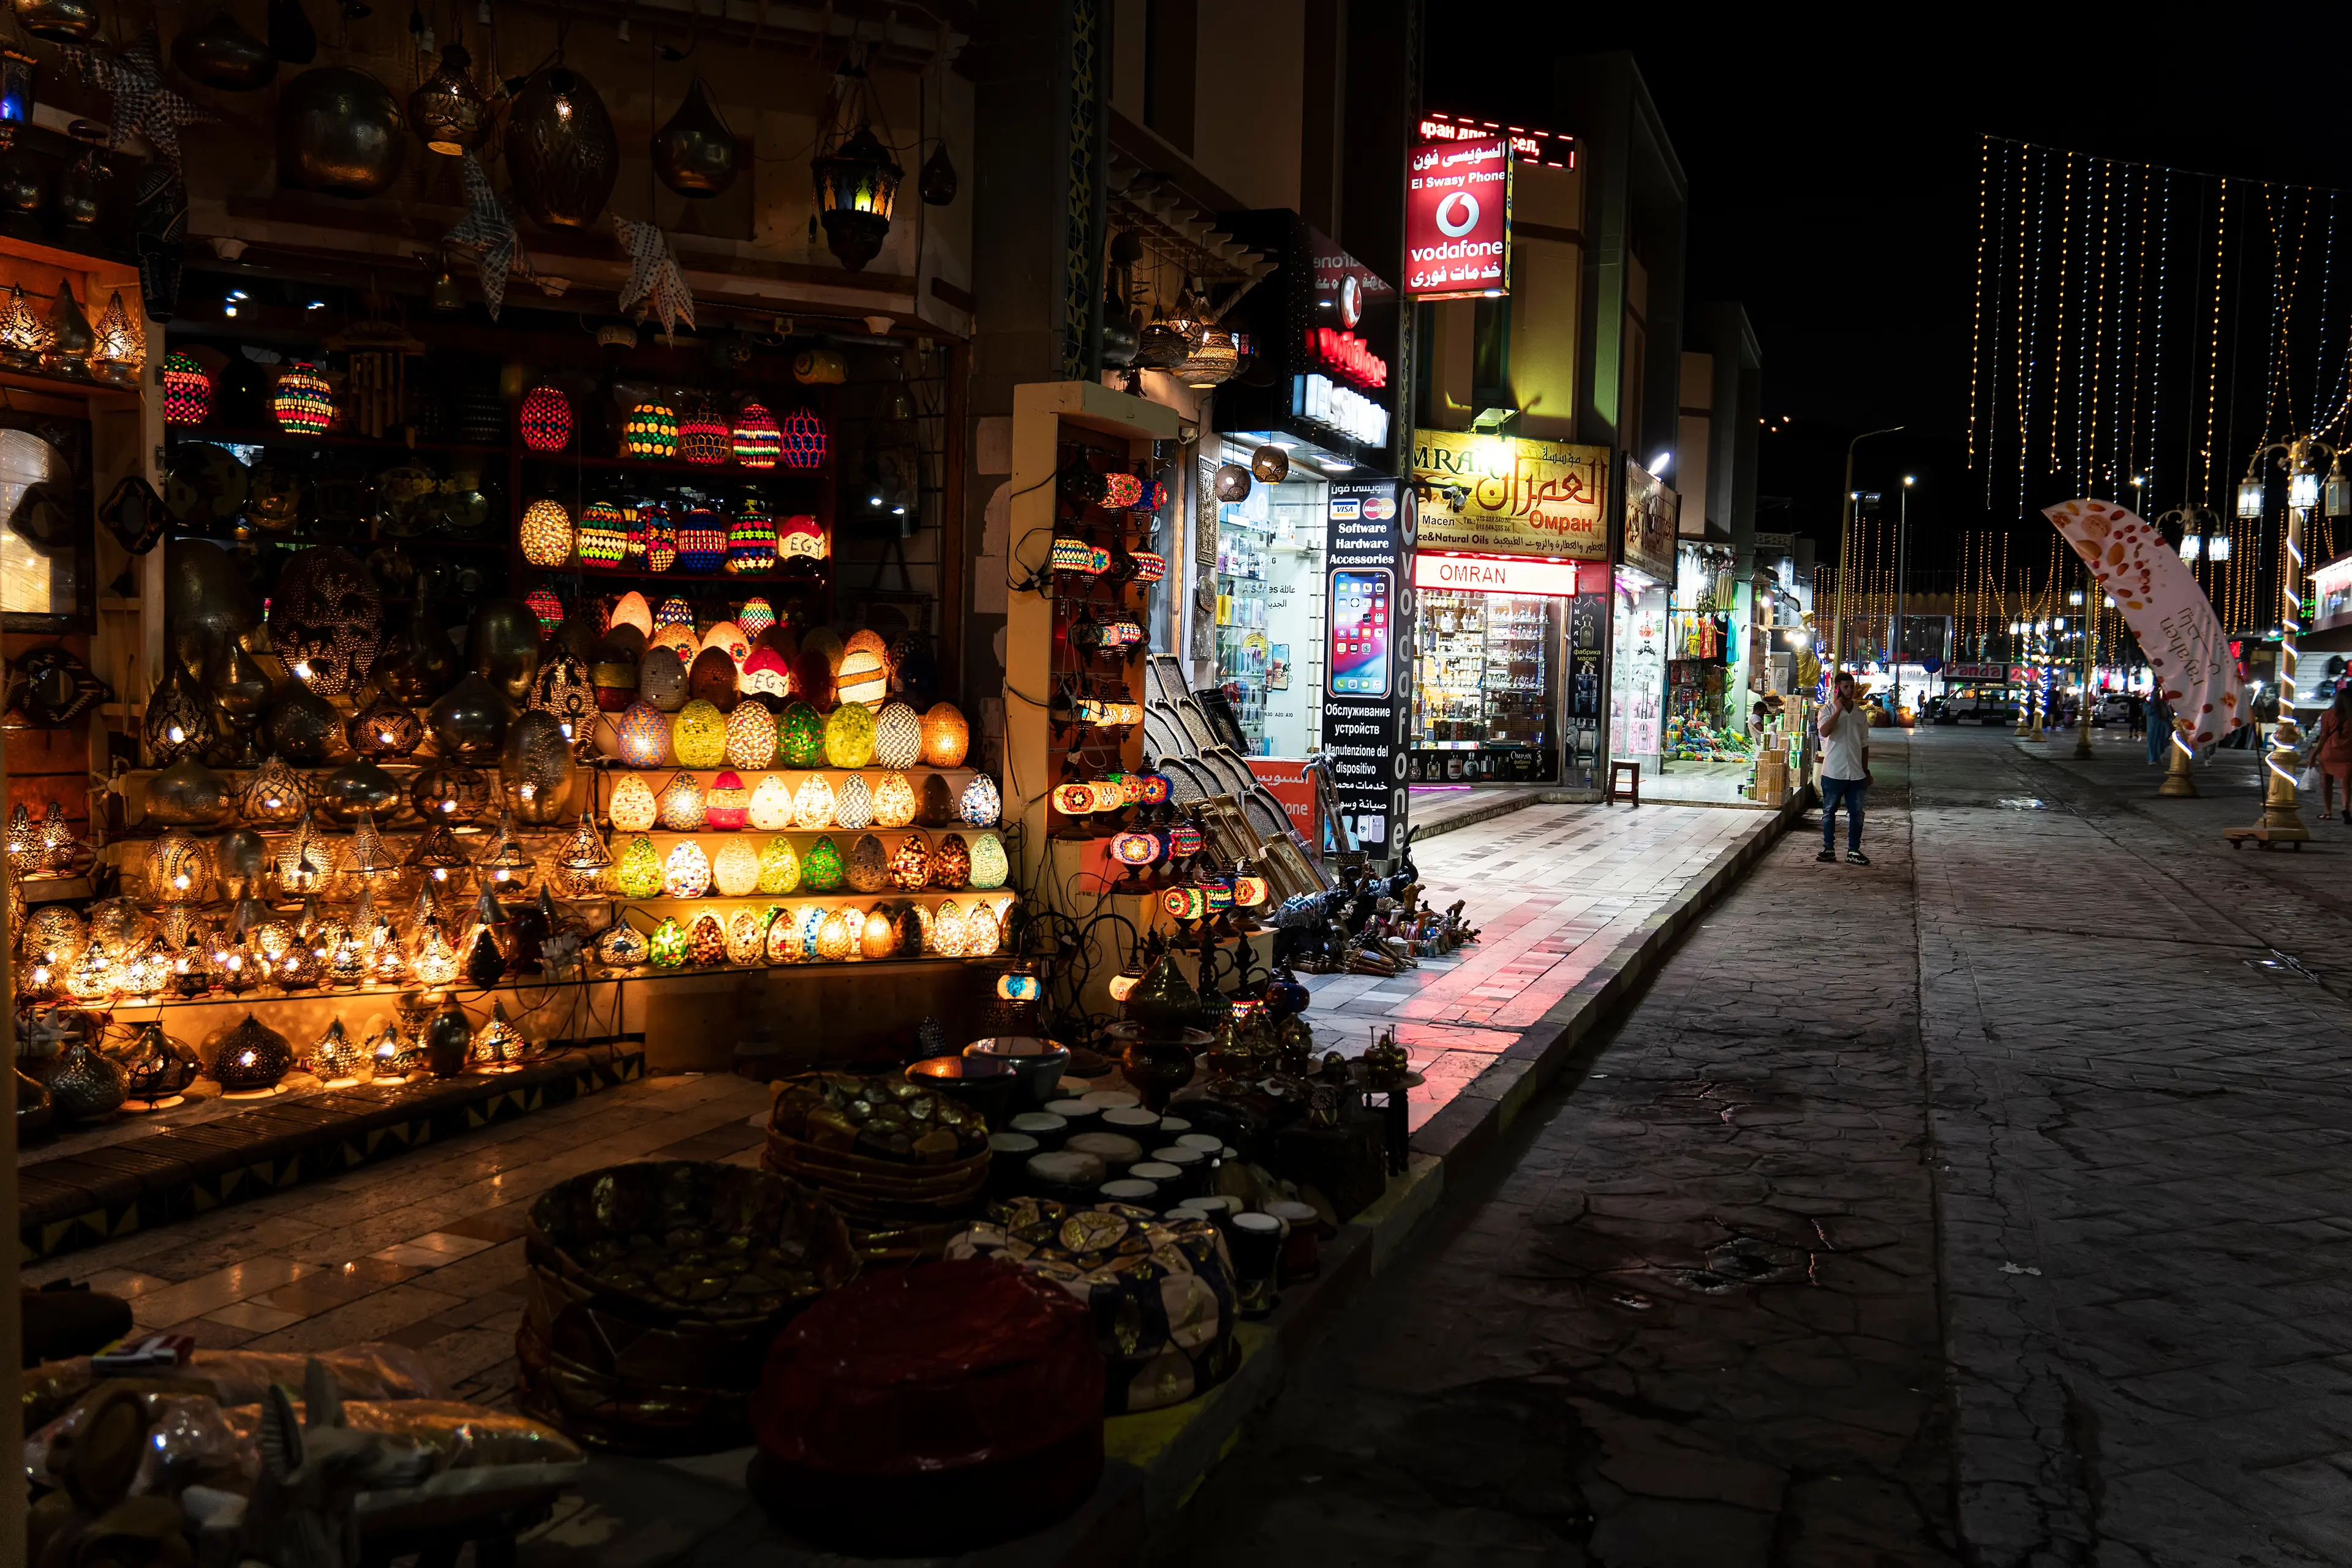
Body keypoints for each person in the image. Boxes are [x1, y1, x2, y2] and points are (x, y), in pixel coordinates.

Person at [1816, 670, 1872, 865]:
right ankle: (1828, 848)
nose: (1850, 690)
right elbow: (1824, 732)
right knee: (1829, 811)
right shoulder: (1827, 711)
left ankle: (1854, 850)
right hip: (1833, 771)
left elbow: (1864, 744)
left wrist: (1866, 771)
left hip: (1856, 773)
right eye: (1845, 687)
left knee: (1857, 813)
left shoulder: (1860, 714)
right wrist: (1839, 710)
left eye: (1852, 686)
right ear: (1838, 688)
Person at [2316, 686, 2352, 821]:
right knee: (2346, 784)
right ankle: (2345, 809)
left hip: (2329, 753)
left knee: (2326, 783)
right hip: (2348, 754)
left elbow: (2323, 737)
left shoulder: (2328, 715)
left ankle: (2328, 812)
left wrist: (2314, 755)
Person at [2146, 692, 2173, 765]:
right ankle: (2152, 759)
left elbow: (2169, 714)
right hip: (2153, 726)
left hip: (2163, 725)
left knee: (2161, 742)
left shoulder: (2163, 703)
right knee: (2152, 743)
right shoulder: (2149, 704)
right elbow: (2148, 712)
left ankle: (2158, 757)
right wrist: (2153, 705)